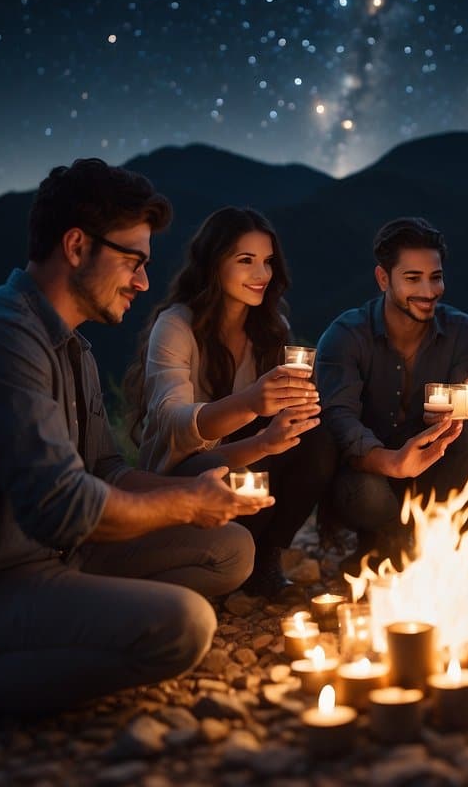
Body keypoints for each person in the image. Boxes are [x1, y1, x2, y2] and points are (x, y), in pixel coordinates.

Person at [0, 159, 273, 739]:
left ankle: (70, 626)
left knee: (229, 549)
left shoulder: (72, 350)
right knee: (183, 627)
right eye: (134, 261)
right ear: (76, 245)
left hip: (44, 555)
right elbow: (64, 508)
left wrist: (201, 495)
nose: (144, 282)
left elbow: (107, 471)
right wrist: (186, 505)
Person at [126, 206, 337, 597]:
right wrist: (253, 405)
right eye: (246, 261)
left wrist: (295, 411)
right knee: (264, 445)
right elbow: (174, 423)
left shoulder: (273, 329)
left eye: (268, 262)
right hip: (183, 474)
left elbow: (281, 423)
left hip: (253, 459)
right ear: (213, 263)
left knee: (316, 438)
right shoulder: (176, 326)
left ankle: (266, 559)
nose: (262, 275)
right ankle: (223, 564)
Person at [316, 217, 468, 571]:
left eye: (435, 277)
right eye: (413, 278)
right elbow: (339, 421)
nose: (428, 291)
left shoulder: (462, 332)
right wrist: (392, 462)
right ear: (383, 279)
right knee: (367, 493)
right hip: (369, 476)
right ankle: (386, 542)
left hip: (436, 479)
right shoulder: (346, 335)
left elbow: (464, 402)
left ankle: (428, 539)